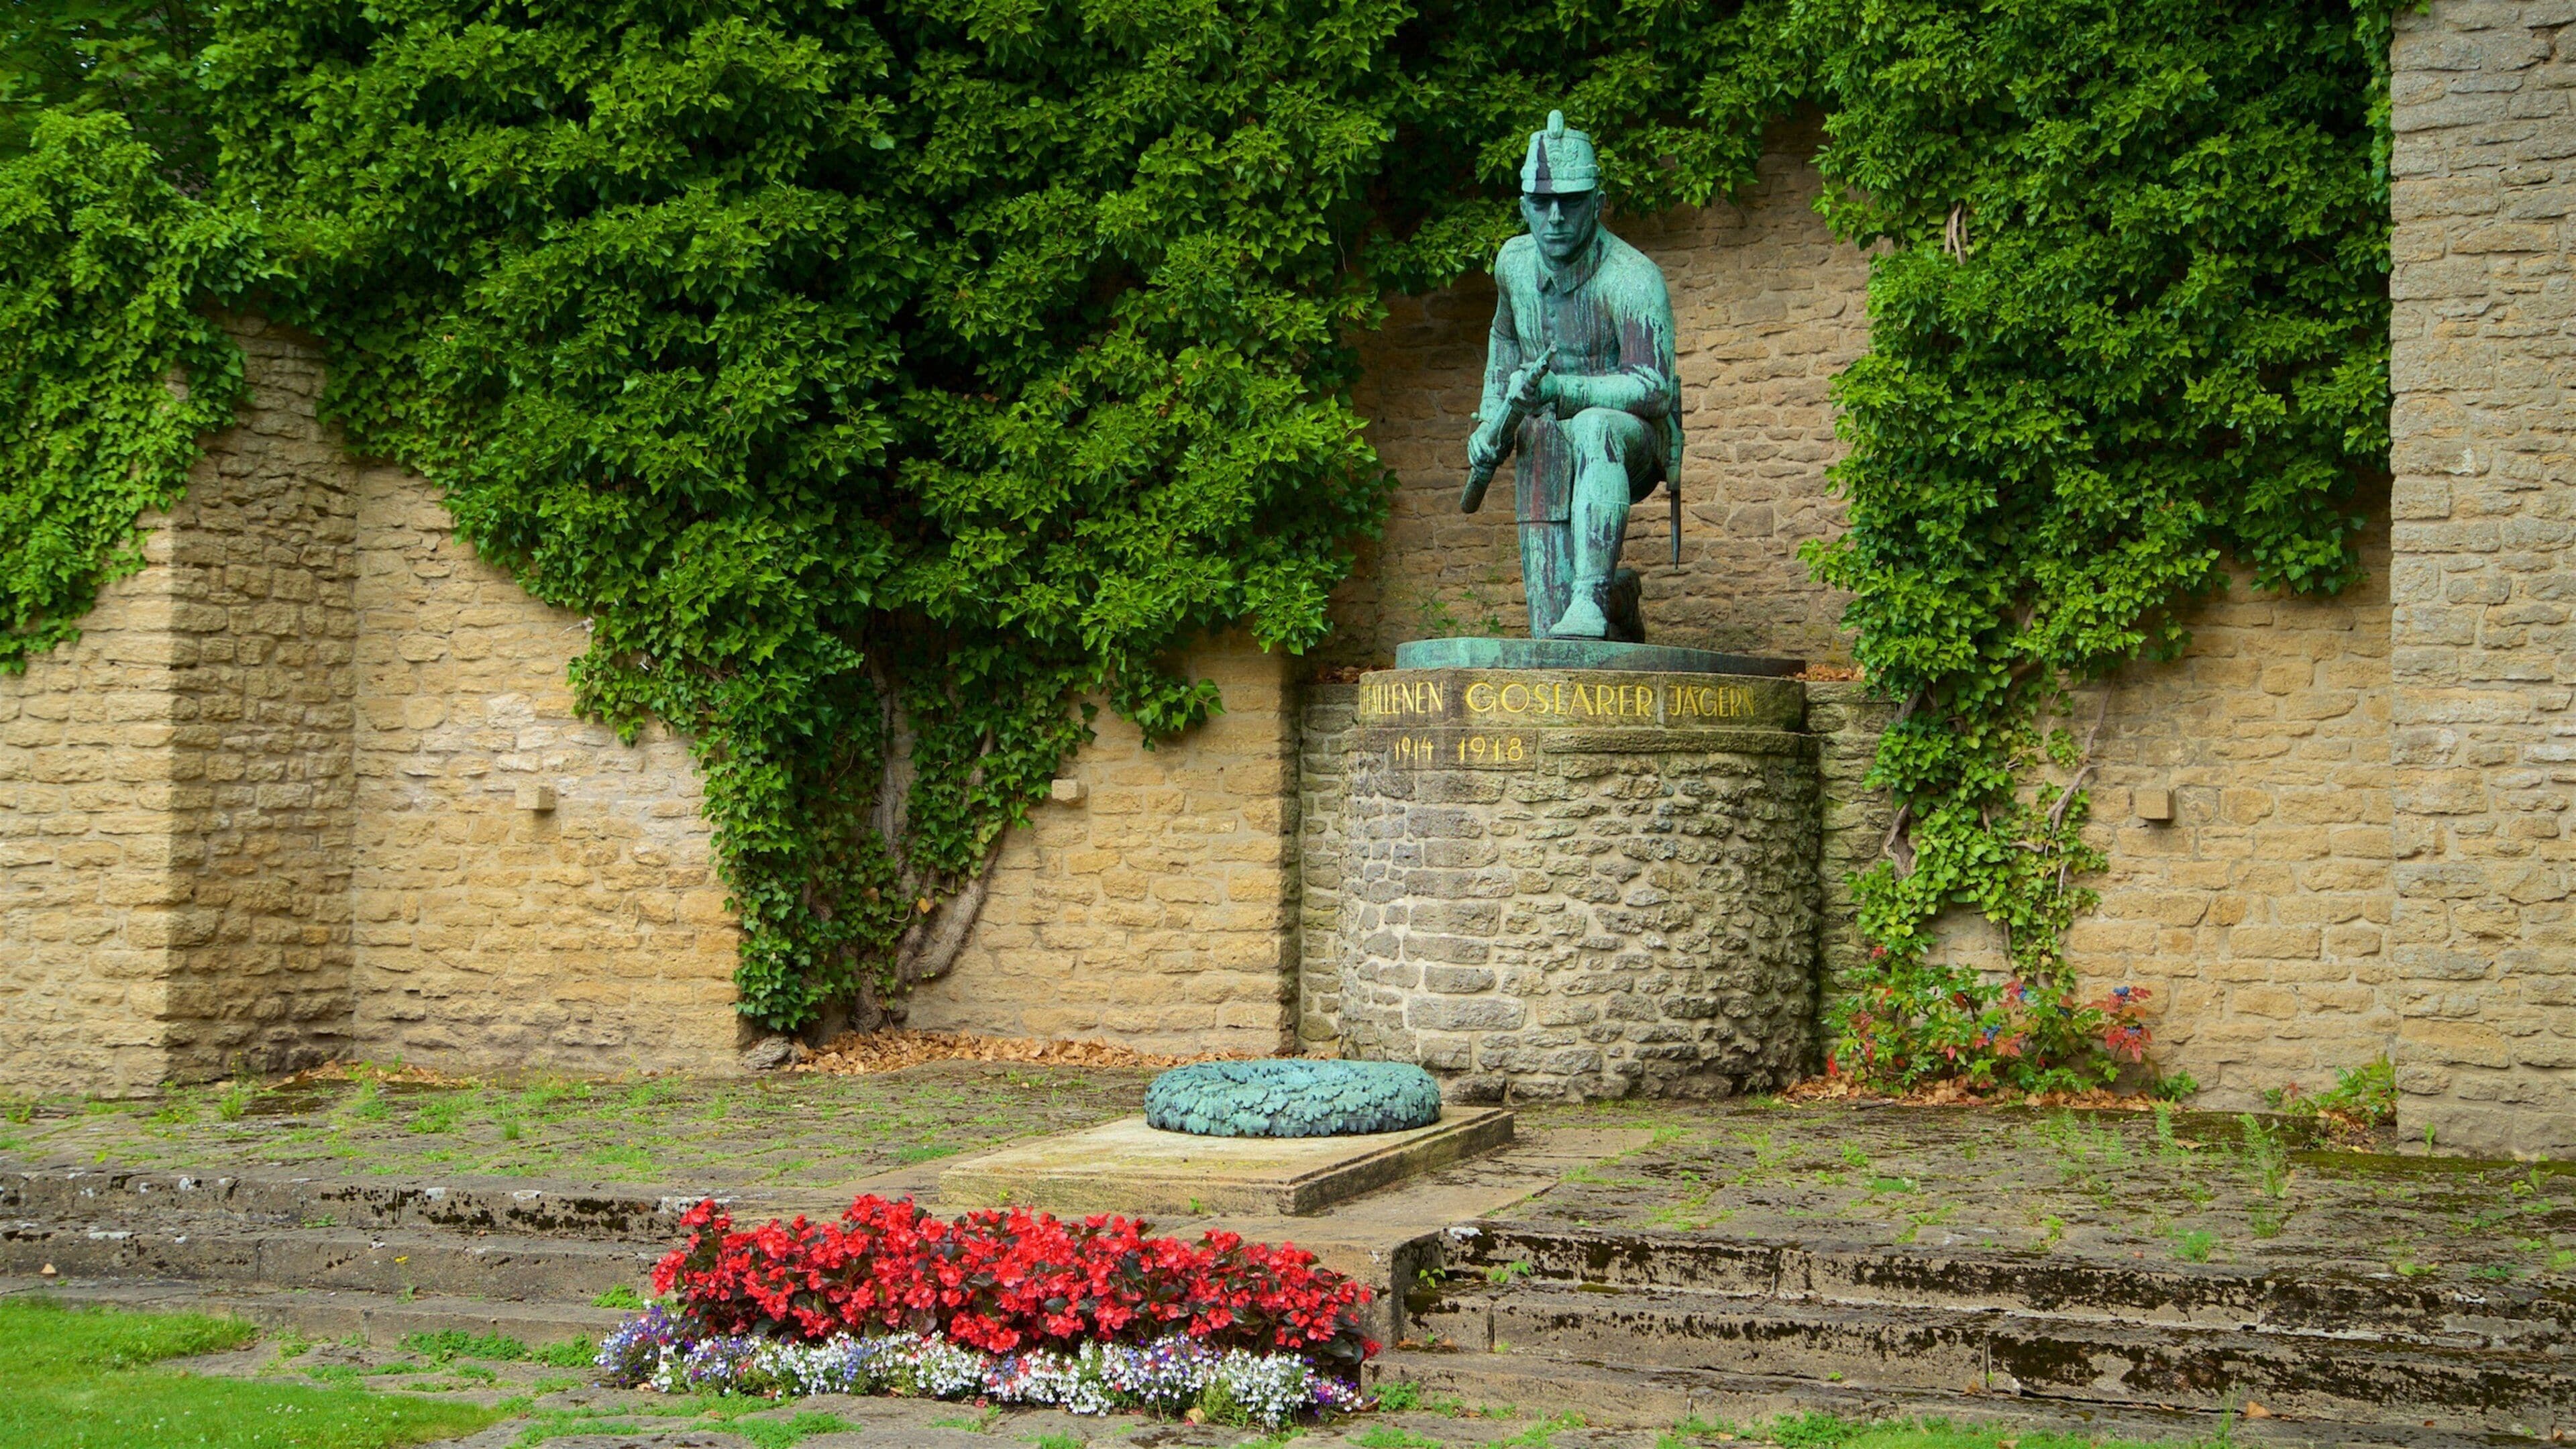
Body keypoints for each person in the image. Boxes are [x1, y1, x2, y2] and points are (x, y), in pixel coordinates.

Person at [1462, 112, 1681, 641]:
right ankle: (1615, 600)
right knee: (1550, 638)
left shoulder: (1633, 278)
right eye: (1541, 203)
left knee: (1594, 426)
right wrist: (1492, 415)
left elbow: (1652, 385)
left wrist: (1569, 392)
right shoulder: (1512, 264)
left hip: (1630, 438)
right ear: (1524, 207)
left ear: (1599, 203)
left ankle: (1590, 597)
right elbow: (1505, 338)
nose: (1555, 216)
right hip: (1543, 438)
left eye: (1572, 201)